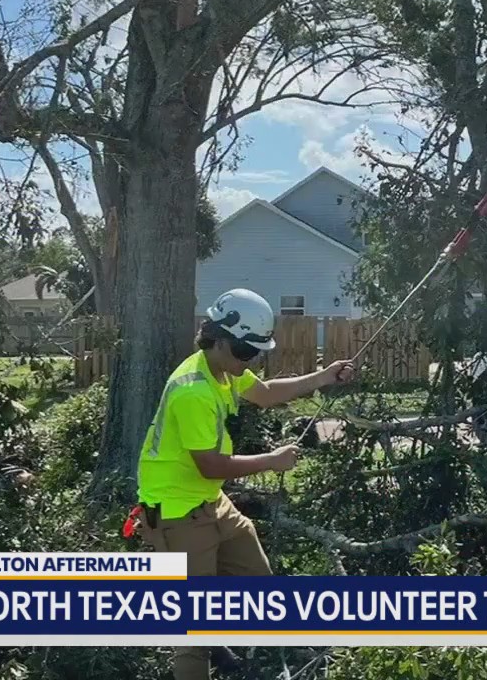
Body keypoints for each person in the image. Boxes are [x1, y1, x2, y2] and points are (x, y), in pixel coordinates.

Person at [132, 288, 355, 680]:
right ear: (218, 340)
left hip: (209, 502)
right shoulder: (194, 390)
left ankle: (262, 645)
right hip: (175, 514)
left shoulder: (222, 368)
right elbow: (210, 465)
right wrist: (272, 461)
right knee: (192, 629)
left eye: (256, 353)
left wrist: (324, 376)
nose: (250, 360)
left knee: (256, 577)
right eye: (246, 353)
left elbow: (266, 394)